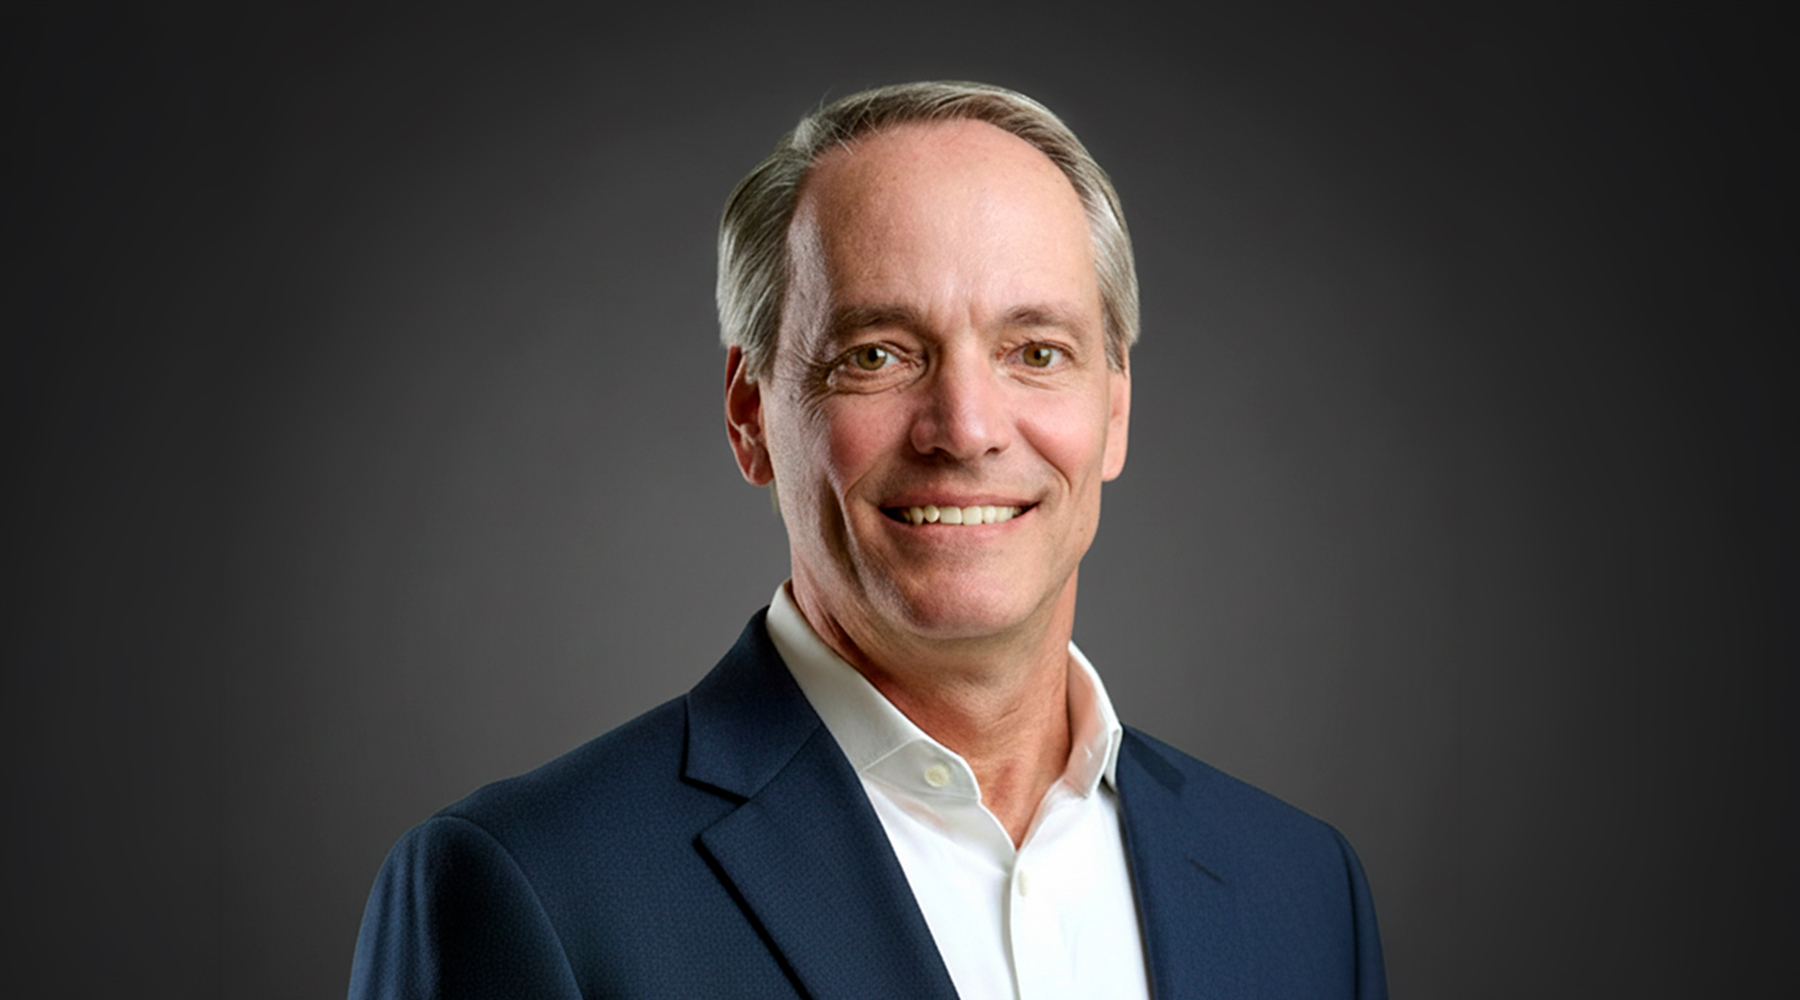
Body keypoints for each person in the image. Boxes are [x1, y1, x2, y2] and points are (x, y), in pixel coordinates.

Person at [348, 80, 1387, 1000]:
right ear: (751, 412)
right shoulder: (532, 888)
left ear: (1115, 410)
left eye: (1037, 350)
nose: (967, 427)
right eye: (879, 353)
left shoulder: (1300, 889)